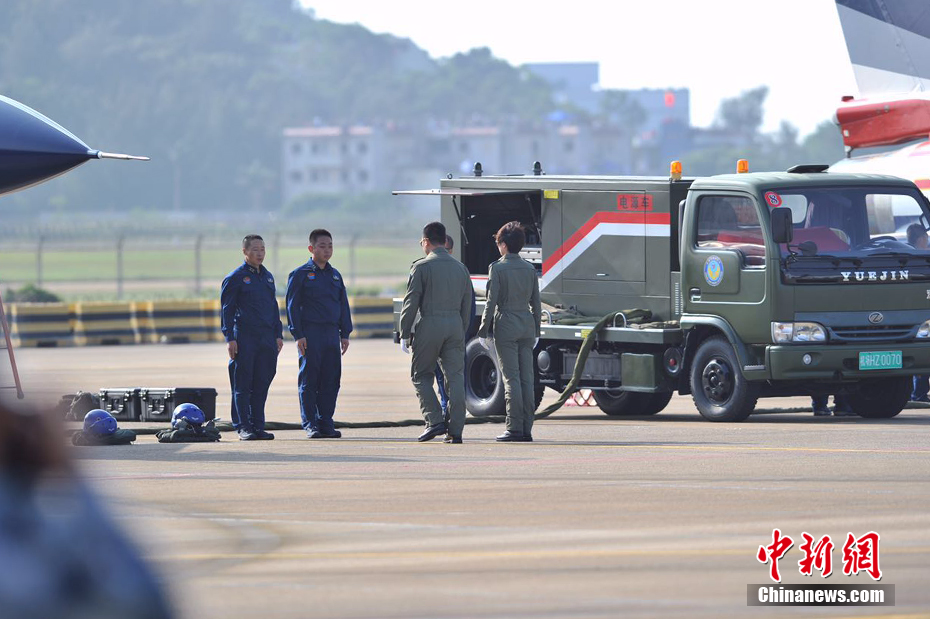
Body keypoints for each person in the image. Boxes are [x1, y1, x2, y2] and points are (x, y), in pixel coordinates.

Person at [399, 221, 472, 444]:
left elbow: (411, 302)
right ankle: (456, 430)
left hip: (430, 323)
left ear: (427, 242)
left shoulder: (421, 267)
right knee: (456, 378)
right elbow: (467, 304)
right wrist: (461, 328)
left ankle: (434, 420)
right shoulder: (461, 268)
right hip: (455, 325)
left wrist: (404, 331)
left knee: (421, 375)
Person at [477, 222, 542, 441]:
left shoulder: (497, 268)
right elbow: (536, 303)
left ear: (503, 245)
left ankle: (514, 427)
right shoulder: (529, 268)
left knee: (511, 378)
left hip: (506, 323)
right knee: (527, 378)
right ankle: (527, 428)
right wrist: (537, 330)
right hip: (526, 324)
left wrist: (483, 331)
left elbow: (490, 301)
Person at [286, 229, 352, 439]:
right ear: (311, 248)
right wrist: (298, 334)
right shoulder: (300, 275)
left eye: (330, 246)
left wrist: (345, 333)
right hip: (310, 333)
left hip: (331, 333)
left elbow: (343, 304)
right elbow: (292, 307)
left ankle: (326, 421)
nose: (327, 250)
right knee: (309, 380)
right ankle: (310, 423)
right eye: (322, 246)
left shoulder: (335, 275)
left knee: (331, 380)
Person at [221, 234, 283, 441]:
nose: (260, 253)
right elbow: (227, 311)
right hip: (245, 337)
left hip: (267, 338)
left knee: (262, 382)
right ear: (245, 252)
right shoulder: (235, 278)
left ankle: (258, 425)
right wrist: (230, 338)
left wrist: (278, 334)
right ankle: (243, 426)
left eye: (263, 249)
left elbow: (273, 308)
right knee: (243, 384)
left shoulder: (267, 277)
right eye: (255, 250)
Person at [435, 234, 478, 422]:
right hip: (438, 333)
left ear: (451, 250)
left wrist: (464, 333)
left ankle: (451, 416)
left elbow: (469, 306)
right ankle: (447, 412)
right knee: (439, 376)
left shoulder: (460, 272)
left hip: (453, 333)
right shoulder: (428, 269)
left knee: (454, 378)